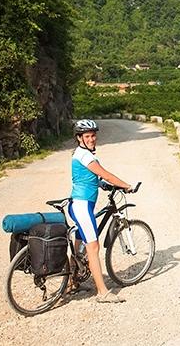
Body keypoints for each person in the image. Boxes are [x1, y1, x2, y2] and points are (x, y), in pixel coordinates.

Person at [69, 119, 131, 303]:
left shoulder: (80, 154)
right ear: (79, 138)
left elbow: (88, 178)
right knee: (93, 246)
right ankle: (102, 292)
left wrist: (102, 185)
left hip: (79, 204)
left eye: (93, 135)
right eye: (87, 136)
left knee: (80, 243)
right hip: (82, 206)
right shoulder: (86, 156)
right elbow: (106, 173)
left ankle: (73, 281)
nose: (91, 139)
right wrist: (126, 185)